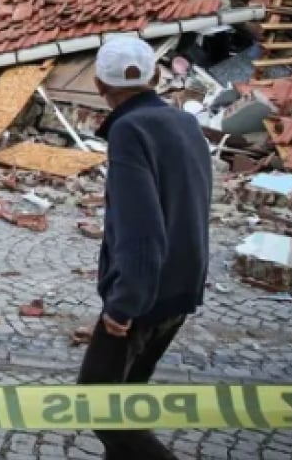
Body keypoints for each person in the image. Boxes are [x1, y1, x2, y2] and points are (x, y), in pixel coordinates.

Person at [77, 35, 212, 460]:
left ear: (99, 85)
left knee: (100, 406)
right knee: (128, 397)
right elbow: (194, 202)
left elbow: (140, 230)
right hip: (182, 288)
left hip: (143, 297)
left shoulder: (129, 130)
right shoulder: (185, 123)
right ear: (156, 76)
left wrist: (123, 304)